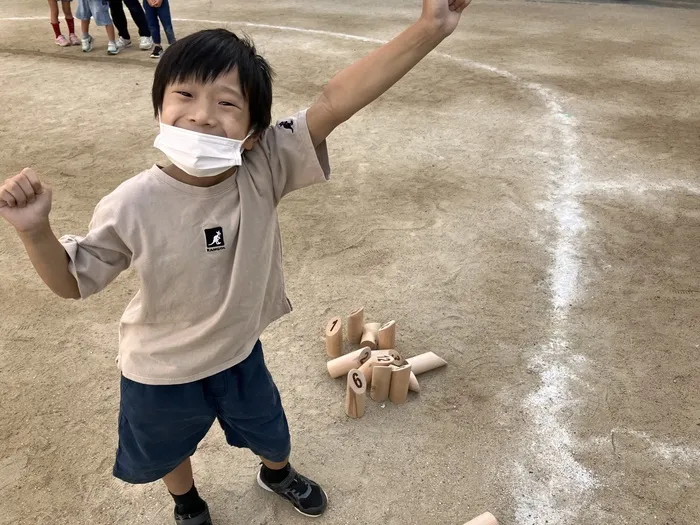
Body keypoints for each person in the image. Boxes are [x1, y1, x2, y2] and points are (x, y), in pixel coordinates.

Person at [0, 0, 471, 523]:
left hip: (238, 353)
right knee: (168, 451)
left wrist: (429, 28)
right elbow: (70, 282)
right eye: (184, 94)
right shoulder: (130, 203)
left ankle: (277, 473)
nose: (202, 114)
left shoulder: (263, 166)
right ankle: (187, 502)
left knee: (270, 429)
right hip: (158, 369)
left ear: (253, 134)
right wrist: (35, 231)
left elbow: (335, 102)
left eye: (227, 103)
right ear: (159, 107)